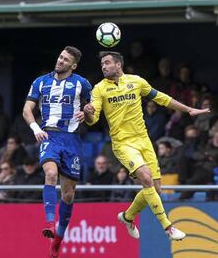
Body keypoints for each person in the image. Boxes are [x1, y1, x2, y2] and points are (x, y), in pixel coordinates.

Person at [84, 51, 209, 241]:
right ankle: (168, 227)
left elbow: (162, 98)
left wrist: (188, 109)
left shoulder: (137, 81)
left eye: (107, 63)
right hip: (123, 143)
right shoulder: (99, 89)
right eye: (102, 64)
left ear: (119, 65)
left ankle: (127, 217)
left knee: (156, 189)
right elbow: (92, 121)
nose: (103, 66)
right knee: (145, 177)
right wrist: (87, 113)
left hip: (144, 141)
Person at [22, 46, 91, 258]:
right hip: (49, 136)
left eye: (65, 59)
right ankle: (49, 223)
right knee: (50, 174)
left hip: (72, 140)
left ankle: (58, 238)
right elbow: (27, 110)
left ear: (73, 65)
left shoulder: (82, 84)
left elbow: (91, 114)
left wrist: (86, 113)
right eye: (60, 56)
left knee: (68, 195)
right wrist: (36, 128)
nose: (60, 61)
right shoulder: (41, 82)